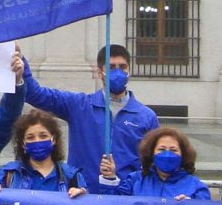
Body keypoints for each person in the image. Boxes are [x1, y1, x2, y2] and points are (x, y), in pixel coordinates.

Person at [12, 41, 160, 187]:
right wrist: (21, 62)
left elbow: (154, 164)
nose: (117, 72)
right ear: (99, 72)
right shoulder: (79, 105)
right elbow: (36, 95)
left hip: (125, 201)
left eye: (122, 67)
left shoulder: (146, 117)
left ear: (129, 71)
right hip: (82, 196)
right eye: (111, 67)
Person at [105, 127, 213, 201]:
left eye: (173, 150)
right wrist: (110, 178)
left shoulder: (196, 187)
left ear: (183, 154)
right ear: (151, 153)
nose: (167, 154)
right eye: (161, 149)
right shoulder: (135, 180)